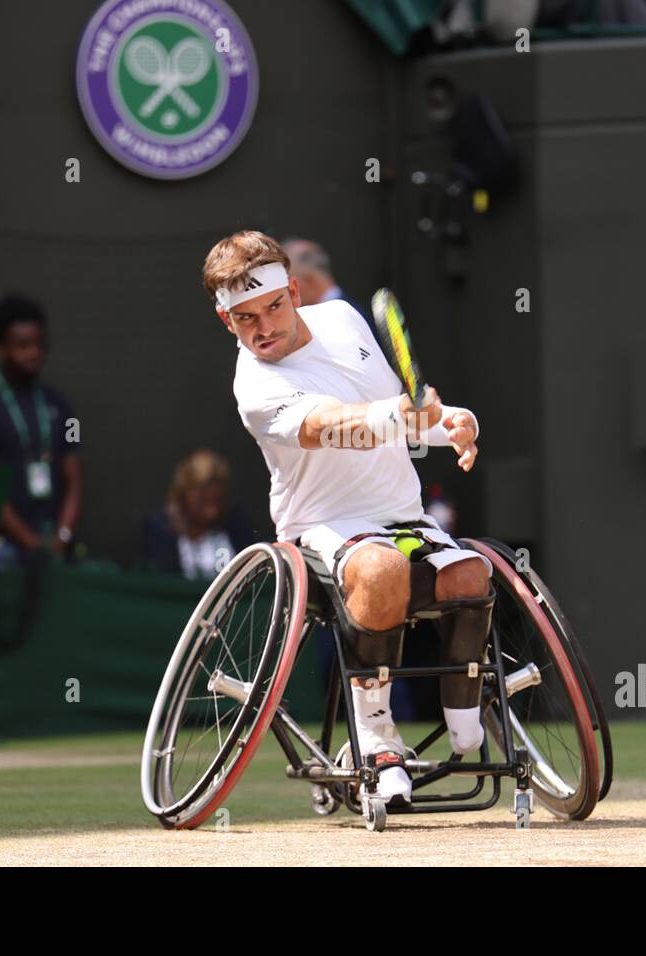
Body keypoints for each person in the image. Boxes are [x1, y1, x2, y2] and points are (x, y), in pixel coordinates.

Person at [205, 230, 491, 807]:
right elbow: (335, 426)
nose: (263, 328)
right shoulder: (255, 387)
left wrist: (450, 422)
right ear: (225, 320)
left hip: (401, 514)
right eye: (244, 318)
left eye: (273, 307)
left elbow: (400, 412)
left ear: (293, 290)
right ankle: (377, 739)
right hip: (319, 530)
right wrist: (400, 413)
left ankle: (466, 723)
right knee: (382, 570)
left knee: (472, 575)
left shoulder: (342, 319)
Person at [0, 294, 83, 566]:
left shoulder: (59, 405)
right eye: (22, 345)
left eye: (39, 344)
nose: (33, 352)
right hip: (1, 548)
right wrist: (30, 543)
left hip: (54, 542)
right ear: (0, 348)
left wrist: (62, 536)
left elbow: (73, 480)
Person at [143, 449, 256, 578]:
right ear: (184, 495)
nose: (213, 512)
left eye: (218, 501)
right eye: (203, 501)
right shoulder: (161, 530)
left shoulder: (236, 524)